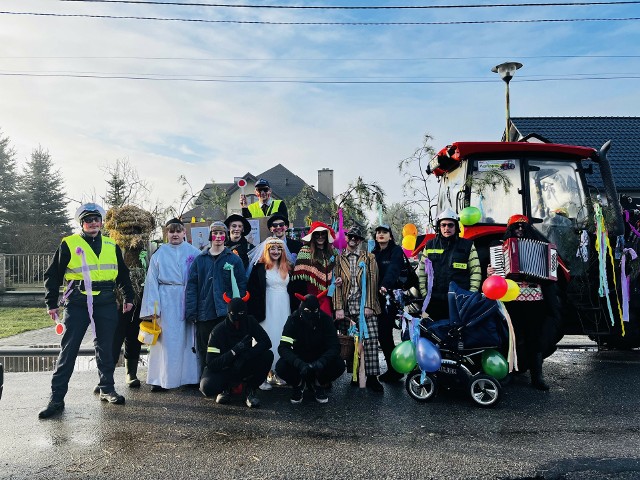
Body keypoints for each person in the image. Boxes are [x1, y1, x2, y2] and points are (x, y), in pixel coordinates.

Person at [39, 203, 135, 419]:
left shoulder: (112, 244)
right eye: (88, 220)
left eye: (96, 219)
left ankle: (107, 388)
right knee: (69, 350)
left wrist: (129, 296)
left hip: (107, 302)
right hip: (77, 304)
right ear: (81, 223)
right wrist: (51, 302)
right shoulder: (69, 243)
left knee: (106, 347)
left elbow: (123, 275)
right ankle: (56, 399)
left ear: (101, 222)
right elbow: (53, 275)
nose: (93, 223)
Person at [487, 214, 561, 391]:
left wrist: (551, 268)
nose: (519, 230)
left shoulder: (542, 248)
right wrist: (492, 271)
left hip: (535, 300)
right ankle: (509, 372)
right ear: (510, 229)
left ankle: (537, 376)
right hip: (511, 300)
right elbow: (495, 276)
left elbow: (551, 275)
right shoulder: (500, 248)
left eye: (523, 227)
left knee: (534, 337)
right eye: (516, 227)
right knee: (511, 337)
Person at [139, 218, 201, 391]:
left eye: (178, 231)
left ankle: (189, 377)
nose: (175, 234)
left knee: (188, 338)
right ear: (167, 234)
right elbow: (151, 282)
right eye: (171, 231)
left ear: (184, 233)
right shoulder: (159, 254)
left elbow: (199, 280)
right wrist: (153, 308)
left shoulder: (194, 253)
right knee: (165, 340)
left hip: (186, 297)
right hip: (165, 300)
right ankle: (161, 378)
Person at [185, 221, 248, 376]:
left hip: (225, 313)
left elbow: (241, 285)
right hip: (204, 313)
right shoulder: (200, 260)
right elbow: (192, 287)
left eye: (221, 234)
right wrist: (191, 311)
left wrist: (237, 310)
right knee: (206, 348)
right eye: (215, 233)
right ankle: (208, 379)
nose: (218, 237)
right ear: (210, 236)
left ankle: (227, 383)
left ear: (225, 236)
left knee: (227, 346)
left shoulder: (233, 260)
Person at [104, 205, 155, 391]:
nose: (133, 232)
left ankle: (130, 373)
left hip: (140, 300)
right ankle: (105, 378)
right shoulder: (111, 246)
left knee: (134, 337)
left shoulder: (149, 248)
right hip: (116, 301)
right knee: (113, 339)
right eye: (129, 229)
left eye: (137, 229)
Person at [333, 225, 384, 392]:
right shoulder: (339, 259)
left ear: (361, 240)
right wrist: (338, 308)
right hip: (348, 307)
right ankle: (356, 375)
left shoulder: (369, 257)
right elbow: (337, 285)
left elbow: (373, 282)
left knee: (369, 342)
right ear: (346, 238)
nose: (353, 240)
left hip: (365, 306)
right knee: (352, 343)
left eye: (357, 238)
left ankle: (372, 377)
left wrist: (369, 305)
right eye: (351, 237)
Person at [200, 297, 273, 408]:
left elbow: (266, 342)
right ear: (228, 313)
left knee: (267, 355)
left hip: (244, 363)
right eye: (233, 316)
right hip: (225, 367)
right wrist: (233, 352)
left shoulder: (250, 322)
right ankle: (225, 388)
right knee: (207, 386)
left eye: (241, 316)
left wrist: (246, 355)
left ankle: (250, 389)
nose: (237, 321)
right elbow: (211, 363)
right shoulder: (217, 332)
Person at [276, 294, 345, 404]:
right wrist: (298, 363)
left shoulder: (326, 320)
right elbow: (284, 347)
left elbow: (335, 346)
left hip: (320, 359)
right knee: (280, 367)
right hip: (300, 359)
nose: (311, 315)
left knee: (339, 364)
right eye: (307, 311)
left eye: (315, 311)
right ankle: (298, 384)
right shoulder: (293, 319)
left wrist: (322, 362)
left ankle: (319, 383)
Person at [418, 208, 482, 320]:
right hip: (435, 301)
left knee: (459, 332)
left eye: (450, 225)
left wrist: (470, 296)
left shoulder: (468, 245)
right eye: (443, 225)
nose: (446, 228)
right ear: (439, 227)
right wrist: (425, 294)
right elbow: (422, 272)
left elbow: (475, 272)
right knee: (436, 333)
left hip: (459, 300)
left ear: (456, 227)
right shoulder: (430, 245)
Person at [247, 237, 292, 390]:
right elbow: (253, 291)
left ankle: (277, 372)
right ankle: (261, 375)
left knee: (281, 337)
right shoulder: (259, 268)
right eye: (272, 248)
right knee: (267, 337)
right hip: (267, 308)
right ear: (267, 250)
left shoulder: (287, 267)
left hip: (284, 306)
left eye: (279, 249)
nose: (275, 251)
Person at [372, 224, 406, 383]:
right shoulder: (373, 253)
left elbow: (394, 269)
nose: (381, 234)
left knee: (384, 334)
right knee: (381, 335)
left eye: (384, 232)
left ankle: (395, 370)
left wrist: (385, 284)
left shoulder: (396, 251)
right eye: (378, 232)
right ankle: (394, 368)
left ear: (390, 236)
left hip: (390, 298)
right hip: (375, 299)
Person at [290, 221, 337, 316]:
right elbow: (299, 280)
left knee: (326, 321)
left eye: (323, 234)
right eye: (317, 234)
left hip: (328, 295)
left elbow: (336, 271)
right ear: (313, 236)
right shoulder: (305, 250)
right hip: (310, 295)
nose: (320, 237)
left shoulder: (333, 252)